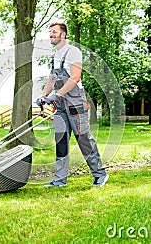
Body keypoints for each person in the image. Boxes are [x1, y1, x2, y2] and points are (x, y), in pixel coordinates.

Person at [36, 22, 109, 187]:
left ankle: (100, 175)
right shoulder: (55, 55)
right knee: (61, 140)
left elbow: (75, 77)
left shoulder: (73, 52)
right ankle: (59, 180)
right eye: (50, 32)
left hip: (75, 102)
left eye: (54, 32)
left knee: (83, 137)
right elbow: (52, 77)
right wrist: (44, 95)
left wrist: (57, 95)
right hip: (60, 103)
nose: (51, 35)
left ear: (63, 34)